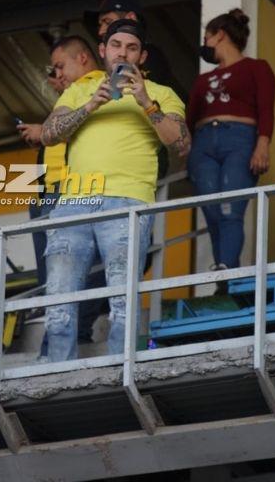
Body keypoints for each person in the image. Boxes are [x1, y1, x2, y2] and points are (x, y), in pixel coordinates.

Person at [40, 18, 189, 361]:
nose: (124, 52)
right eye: (117, 45)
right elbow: (49, 134)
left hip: (128, 201)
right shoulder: (79, 90)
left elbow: (182, 144)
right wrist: (91, 105)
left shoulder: (162, 94)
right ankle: (55, 374)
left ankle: (121, 371)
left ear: (142, 55)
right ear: (103, 51)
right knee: (59, 299)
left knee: (123, 298)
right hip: (74, 202)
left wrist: (146, 101)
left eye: (132, 47)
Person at [18, 37, 106, 344]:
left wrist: (42, 132)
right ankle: (63, 339)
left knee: (68, 276)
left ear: (82, 58)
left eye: (60, 66)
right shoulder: (72, 93)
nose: (57, 74)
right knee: (52, 282)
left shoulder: (98, 86)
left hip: (71, 191)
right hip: (49, 190)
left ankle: (64, 341)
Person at [186, 9, 275, 275]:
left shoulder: (257, 68)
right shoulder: (202, 80)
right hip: (203, 144)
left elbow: (266, 109)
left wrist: (263, 144)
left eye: (207, 38)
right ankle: (226, 272)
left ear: (219, 35)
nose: (205, 44)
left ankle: (227, 270)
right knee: (211, 211)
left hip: (240, 139)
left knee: (230, 209)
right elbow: (190, 118)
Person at [85, 0, 185, 99]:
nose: (101, 31)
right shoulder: (80, 89)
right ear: (102, 50)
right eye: (100, 25)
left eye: (108, 22)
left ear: (130, 18)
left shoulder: (152, 56)